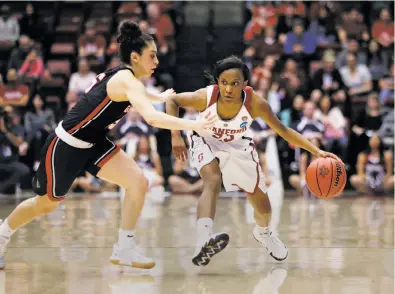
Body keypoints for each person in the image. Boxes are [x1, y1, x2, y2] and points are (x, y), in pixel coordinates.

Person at [0, 21, 216, 270]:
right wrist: (196, 126)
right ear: (135, 57)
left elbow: (138, 95)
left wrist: (160, 97)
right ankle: (3, 234)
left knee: (138, 183)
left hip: (93, 141)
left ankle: (124, 247)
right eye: (152, 56)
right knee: (46, 204)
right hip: (67, 144)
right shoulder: (127, 80)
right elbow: (153, 118)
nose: (157, 61)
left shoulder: (127, 76)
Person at [166, 56, 342, 266]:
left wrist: (316, 150)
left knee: (263, 206)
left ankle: (264, 233)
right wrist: (175, 136)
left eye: (235, 83)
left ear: (245, 84)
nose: (229, 89)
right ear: (217, 82)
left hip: (237, 144)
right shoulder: (206, 96)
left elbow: (284, 131)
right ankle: (203, 239)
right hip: (205, 139)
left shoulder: (255, 103)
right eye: (224, 83)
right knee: (212, 180)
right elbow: (172, 100)